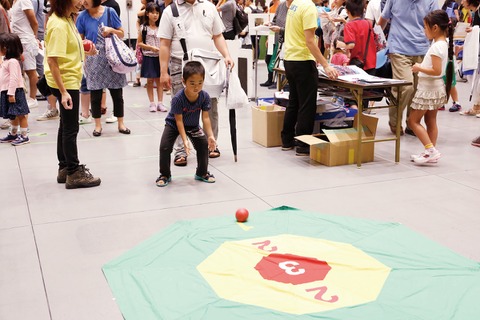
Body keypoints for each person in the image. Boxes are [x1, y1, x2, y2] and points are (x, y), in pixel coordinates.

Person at [158, 0, 234, 165]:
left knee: (211, 106)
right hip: (181, 64)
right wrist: (164, 72)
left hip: (208, 64)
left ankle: (210, 143)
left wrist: (227, 54)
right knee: (179, 108)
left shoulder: (209, 7)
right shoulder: (171, 10)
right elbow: (164, 44)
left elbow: (217, 35)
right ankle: (180, 150)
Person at [44, 0, 101, 188]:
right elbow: (53, 61)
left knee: (65, 125)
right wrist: (63, 92)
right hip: (65, 82)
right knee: (71, 128)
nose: (82, 2)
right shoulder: (59, 24)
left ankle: (64, 167)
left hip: (68, 79)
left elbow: (67, 50)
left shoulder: (67, 19)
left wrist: (86, 50)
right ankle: (74, 173)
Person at [281, 0, 338, 156]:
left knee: (294, 101)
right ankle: (303, 143)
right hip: (303, 61)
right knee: (307, 104)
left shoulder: (295, 4)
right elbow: (310, 41)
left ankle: (286, 139)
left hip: (290, 59)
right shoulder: (308, 7)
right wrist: (325, 64)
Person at [378, 0, 439, 136]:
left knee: (418, 89)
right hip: (399, 48)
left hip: (422, 49)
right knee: (406, 86)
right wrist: (375, 40)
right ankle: (394, 121)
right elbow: (384, 18)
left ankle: (412, 123)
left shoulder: (430, 1)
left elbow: (437, 24)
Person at [156, 61, 216, 187]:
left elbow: (205, 118)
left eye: (200, 83)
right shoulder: (178, 98)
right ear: (184, 81)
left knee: (203, 144)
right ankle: (165, 174)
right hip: (173, 124)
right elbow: (178, 120)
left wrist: (210, 135)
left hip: (193, 125)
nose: (196, 87)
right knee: (164, 147)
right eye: (192, 83)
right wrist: (184, 140)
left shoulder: (204, 96)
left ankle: (202, 173)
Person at [76, 0, 130, 137]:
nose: (84, 2)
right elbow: (79, 39)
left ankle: (121, 123)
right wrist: (85, 53)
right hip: (93, 57)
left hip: (112, 55)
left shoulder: (110, 12)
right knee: (95, 94)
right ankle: (98, 125)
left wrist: (111, 30)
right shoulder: (82, 16)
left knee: (117, 93)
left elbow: (122, 33)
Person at [408, 10, 453, 164]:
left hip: (429, 88)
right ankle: (430, 152)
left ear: (434, 27)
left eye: (425, 27)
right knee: (431, 121)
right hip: (435, 87)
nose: (423, 30)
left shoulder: (436, 47)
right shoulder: (442, 43)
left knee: (412, 121)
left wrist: (418, 67)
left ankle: (431, 150)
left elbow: (436, 70)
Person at [0, 33, 30, 146]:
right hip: (8, 92)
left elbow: (14, 78)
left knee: (21, 114)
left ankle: (24, 135)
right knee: (13, 114)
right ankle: (13, 134)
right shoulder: (6, 61)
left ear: (5, 48)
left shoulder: (12, 62)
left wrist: (11, 93)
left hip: (14, 92)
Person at [10, 0, 40, 109]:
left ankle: (33, 98)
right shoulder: (15, 2)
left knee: (31, 70)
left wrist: (33, 37)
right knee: (20, 70)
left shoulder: (24, 0)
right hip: (18, 40)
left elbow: (34, 21)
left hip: (26, 40)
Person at [138, 2, 167, 112]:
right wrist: (151, 48)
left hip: (160, 57)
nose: (155, 15)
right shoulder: (143, 28)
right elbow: (139, 43)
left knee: (160, 80)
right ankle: (152, 103)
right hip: (149, 57)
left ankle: (160, 102)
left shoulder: (162, 27)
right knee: (150, 81)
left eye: (157, 13)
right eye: (152, 13)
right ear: (147, 14)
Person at [260, 0, 288, 88]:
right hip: (277, 39)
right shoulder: (281, 6)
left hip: (289, 41)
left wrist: (281, 29)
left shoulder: (298, 7)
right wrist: (269, 24)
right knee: (271, 60)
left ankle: (282, 83)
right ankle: (274, 81)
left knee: (283, 62)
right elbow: (274, 20)